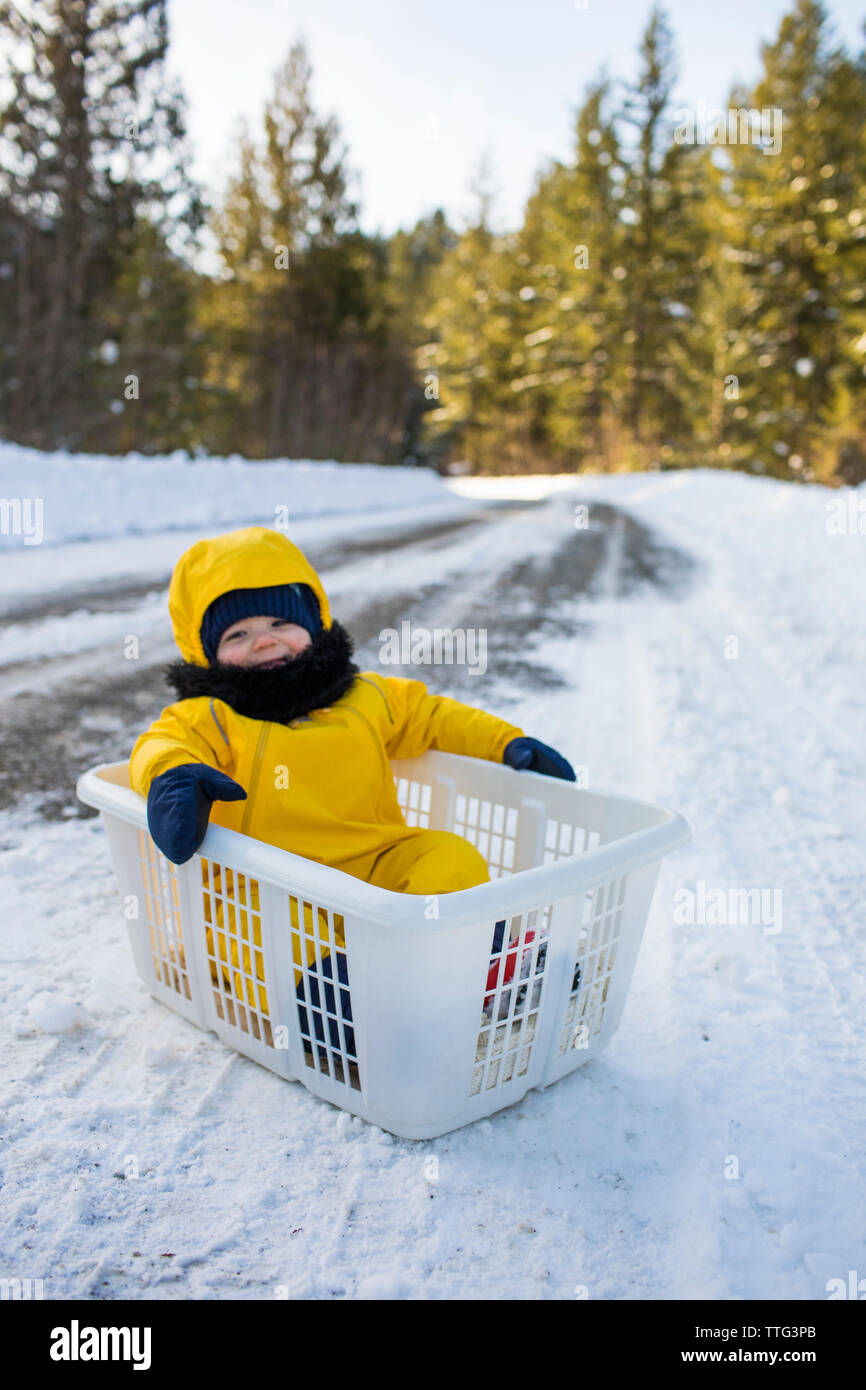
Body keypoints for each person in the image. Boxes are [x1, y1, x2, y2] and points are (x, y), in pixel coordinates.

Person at [128, 525, 575, 1059]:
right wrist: (174, 779)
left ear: (313, 625)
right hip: (263, 886)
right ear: (207, 654)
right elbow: (161, 745)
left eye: (278, 622)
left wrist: (507, 743)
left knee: (448, 855)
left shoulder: (364, 696)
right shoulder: (211, 717)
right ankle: (338, 1004)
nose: (265, 640)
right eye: (237, 635)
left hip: (374, 866)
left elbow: (432, 716)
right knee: (258, 941)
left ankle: (485, 962)